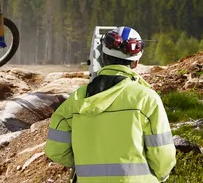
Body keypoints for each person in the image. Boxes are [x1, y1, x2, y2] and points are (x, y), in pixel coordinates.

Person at [45, 26, 176, 182]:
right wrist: (160, 175)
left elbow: (55, 149)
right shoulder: (146, 98)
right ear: (135, 62)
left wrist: (85, 164)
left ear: (103, 58)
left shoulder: (77, 99)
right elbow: (163, 156)